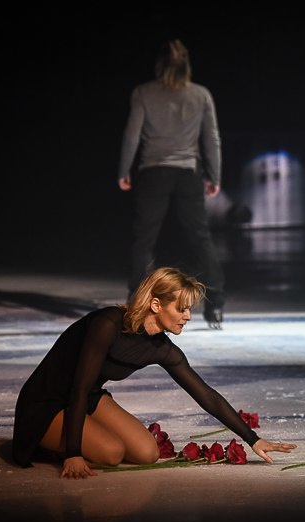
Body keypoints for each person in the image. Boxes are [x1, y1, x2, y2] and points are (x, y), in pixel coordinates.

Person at [11, 267, 296, 479]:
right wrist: (72, 453)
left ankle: (77, 435)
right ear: (156, 305)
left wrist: (253, 439)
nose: (188, 316)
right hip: (45, 402)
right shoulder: (107, 324)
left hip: (87, 397)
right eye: (182, 309)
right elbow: (78, 388)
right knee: (112, 453)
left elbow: (206, 395)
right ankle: (51, 443)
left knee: (148, 453)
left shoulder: (162, 349)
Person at [118, 38, 226, 329]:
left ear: (159, 64)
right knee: (200, 237)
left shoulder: (143, 93)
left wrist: (123, 170)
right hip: (188, 172)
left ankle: (135, 301)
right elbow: (211, 138)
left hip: (154, 171)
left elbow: (132, 136)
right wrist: (214, 176)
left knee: (144, 239)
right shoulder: (201, 95)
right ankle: (215, 303)